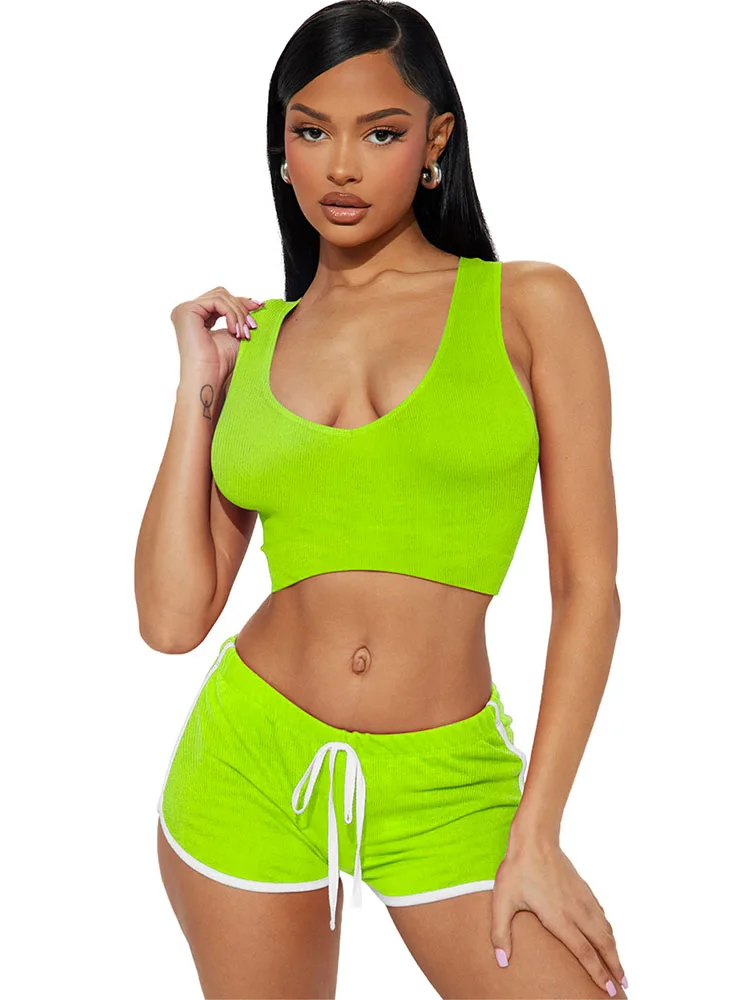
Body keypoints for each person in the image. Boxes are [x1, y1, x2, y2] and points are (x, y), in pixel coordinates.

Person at [135, 2, 628, 997]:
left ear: (436, 140)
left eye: (381, 133)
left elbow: (588, 587)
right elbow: (171, 620)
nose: (342, 167)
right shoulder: (257, 345)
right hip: (249, 766)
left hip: (449, 788)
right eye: (312, 131)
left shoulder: (529, 307)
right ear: (281, 150)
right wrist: (197, 385)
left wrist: (536, 832)